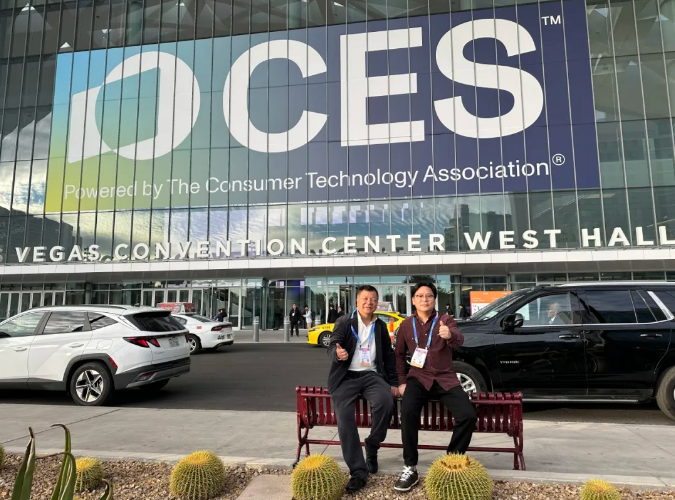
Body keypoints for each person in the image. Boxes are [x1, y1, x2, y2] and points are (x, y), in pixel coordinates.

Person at [393, 282, 476, 492]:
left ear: (434, 299)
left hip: (445, 378)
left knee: (467, 415)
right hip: (418, 378)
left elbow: (459, 339)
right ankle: (410, 467)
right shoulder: (405, 325)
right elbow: (399, 356)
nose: (424, 299)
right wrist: (402, 382)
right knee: (408, 413)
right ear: (413, 300)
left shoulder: (445, 320)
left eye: (428, 296)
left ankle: (451, 462)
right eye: (420, 296)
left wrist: (450, 335)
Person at [328, 285, 399, 493]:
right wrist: (337, 354)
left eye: (373, 299)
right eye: (365, 299)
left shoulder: (380, 326)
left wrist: (394, 383)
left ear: (377, 302)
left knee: (386, 402)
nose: (369, 302)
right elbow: (333, 345)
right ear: (357, 301)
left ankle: (372, 445)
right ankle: (358, 471)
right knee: (345, 418)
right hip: (346, 376)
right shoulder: (344, 322)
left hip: (371, 375)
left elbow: (388, 356)